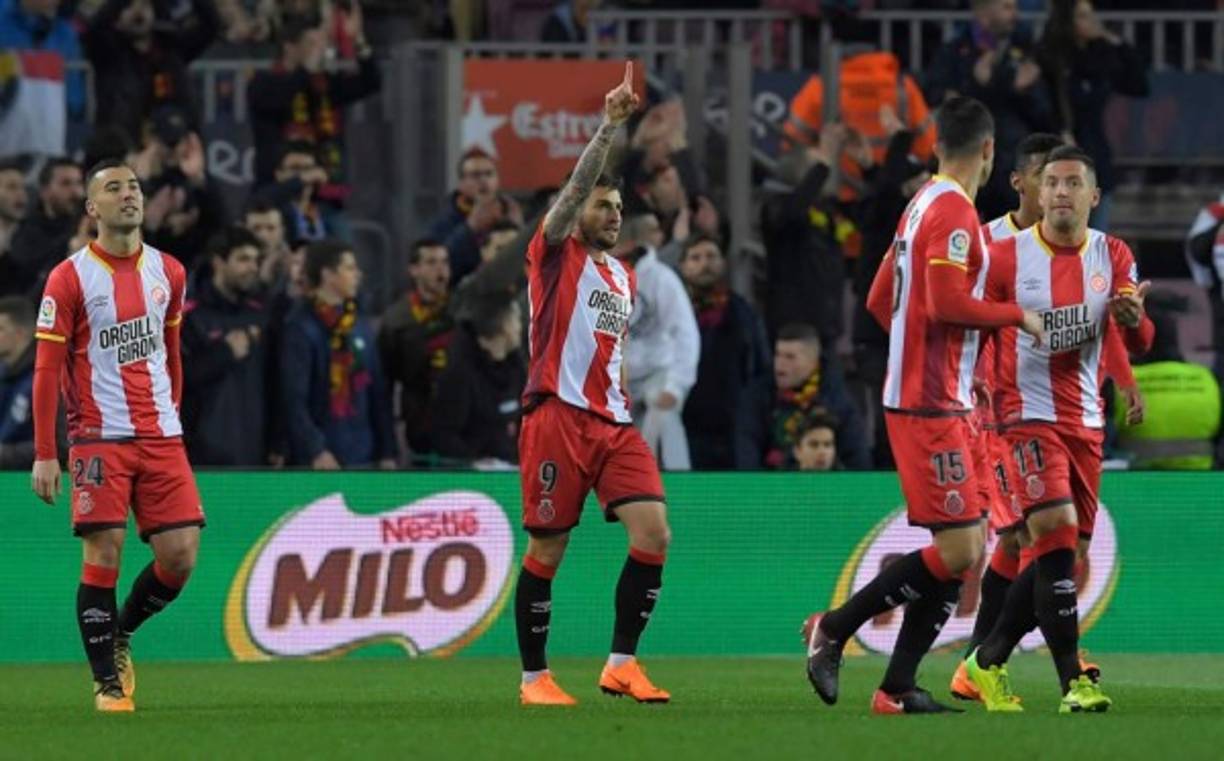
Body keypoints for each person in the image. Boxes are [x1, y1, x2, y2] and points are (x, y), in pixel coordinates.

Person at [805, 96, 1045, 715]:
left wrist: (930, 356)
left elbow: (883, 299)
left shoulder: (919, 206)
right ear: (988, 151)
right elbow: (942, 304)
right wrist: (1013, 316)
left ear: (938, 145)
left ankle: (896, 688)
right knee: (964, 551)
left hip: (941, 398)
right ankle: (833, 627)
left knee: (963, 550)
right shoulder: (956, 214)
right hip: (929, 406)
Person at [959, 146, 1153, 714]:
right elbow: (967, 322)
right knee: (1055, 529)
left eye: (1074, 183)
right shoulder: (1003, 257)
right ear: (1038, 195)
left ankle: (985, 661)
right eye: (1054, 183)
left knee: (1059, 555)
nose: (1062, 192)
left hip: (1085, 421)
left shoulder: (1113, 255)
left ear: (1095, 197)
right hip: (1021, 415)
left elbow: (1133, 336)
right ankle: (1074, 682)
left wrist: (1135, 333)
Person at [515, 62, 672, 707]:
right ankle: (534, 680)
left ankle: (621, 664)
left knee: (654, 533)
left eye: (618, 207)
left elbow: (614, 354)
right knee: (549, 545)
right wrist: (608, 129)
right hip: (556, 415)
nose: (613, 214)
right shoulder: (554, 255)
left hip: (612, 423)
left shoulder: (623, 278)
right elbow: (570, 197)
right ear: (576, 210)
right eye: (602, 205)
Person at [30, 158, 205, 712]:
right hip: (98, 436)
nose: (128, 195)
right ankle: (107, 683)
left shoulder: (170, 272)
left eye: (133, 186)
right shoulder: (69, 276)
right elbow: (45, 369)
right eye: (113, 188)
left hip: (160, 435)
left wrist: (170, 415)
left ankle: (123, 630)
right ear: (92, 208)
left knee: (179, 557)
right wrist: (45, 452)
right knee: (104, 551)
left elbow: (171, 354)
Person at [923, 0, 1054, 221]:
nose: (1015, 14)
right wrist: (977, 85)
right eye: (1006, 7)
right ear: (983, 13)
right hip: (966, 164)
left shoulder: (1027, 53)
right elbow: (937, 95)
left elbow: (1045, 114)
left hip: (1013, 166)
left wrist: (1021, 90)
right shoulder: (955, 51)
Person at [281, 239, 397, 469]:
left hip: (363, 456)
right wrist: (315, 449)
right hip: (320, 461)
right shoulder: (301, 327)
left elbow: (377, 393)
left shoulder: (359, 325)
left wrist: (387, 450)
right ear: (328, 274)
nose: (358, 274)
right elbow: (294, 399)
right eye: (349, 268)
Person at [1038, 0, 1149, 231]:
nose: (1092, 21)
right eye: (1082, 16)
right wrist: (1061, 131)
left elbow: (1139, 86)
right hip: (1058, 152)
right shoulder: (1049, 57)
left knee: (1095, 233)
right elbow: (1042, 105)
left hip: (1095, 152)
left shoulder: (1101, 55)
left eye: (1091, 15)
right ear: (1066, 21)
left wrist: (1118, 44)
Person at [181, 227, 273, 466]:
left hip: (256, 455)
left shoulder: (261, 315)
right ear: (219, 262)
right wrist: (224, 353)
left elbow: (276, 382)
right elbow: (176, 381)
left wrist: (277, 442)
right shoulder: (189, 318)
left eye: (256, 260)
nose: (253, 267)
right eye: (243, 259)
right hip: (202, 459)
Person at [677, 235, 771, 470]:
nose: (704, 263)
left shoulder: (743, 313)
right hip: (684, 422)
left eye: (711, 256)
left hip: (734, 426)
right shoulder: (672, 313)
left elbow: (761, 366)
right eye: (695, 258)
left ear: (723, 263)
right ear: (682, 266)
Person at [616, 213, 700, 471]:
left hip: (658, 373)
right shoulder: (595, 279)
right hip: (617, 377)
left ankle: (678, 483)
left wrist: (675, 386)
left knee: (662, 418)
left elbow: (685, 333)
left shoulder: (661, 279)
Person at [81, 0, 221, 146]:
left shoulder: (172, 50)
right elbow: (94, 29)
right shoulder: (107, 53)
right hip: (123, 146)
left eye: (144, 5)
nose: (138, 12)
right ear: (116, 18)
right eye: (129, 6)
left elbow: (210, 25)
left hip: (173, 142)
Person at [735, 323, 870, 471]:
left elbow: (857, 460)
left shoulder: (838, 400)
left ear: (813, 362)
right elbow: (746, 454)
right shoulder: (757, 396)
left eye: (790, 357)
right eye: (778, 354)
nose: (779, 365)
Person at [378, 238, 454, 459]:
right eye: (431, 263)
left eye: (444, 262)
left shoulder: (461, 310)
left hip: (464, 427)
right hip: (420, 425)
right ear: (414, 270)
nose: (440, 270)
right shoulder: (396, 321)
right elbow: (385, 386)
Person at [431, 292, 525, 466]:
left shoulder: (516, 365)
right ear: (502, 326)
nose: (520, 327)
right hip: (472, 476)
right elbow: (444, 435)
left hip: (513, 469)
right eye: (516, 320)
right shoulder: (460, 373)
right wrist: (474, 463)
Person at [427, 149, 523, 283]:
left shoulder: (512, 212)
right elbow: (436, 270)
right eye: (475, 175)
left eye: (489, 174)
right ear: (461, 183)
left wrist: (519, 229)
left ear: (497, 180)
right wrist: (469, 228)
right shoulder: (443, 221)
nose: (483, 180)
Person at [8, 158, 83, 297]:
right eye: (65, 184)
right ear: (44, 191)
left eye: (79, 183)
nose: (76, 192)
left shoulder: (89, 225)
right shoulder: (26, 233)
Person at [0, 296, 36, 468]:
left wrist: (4, 455)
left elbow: (59, 445)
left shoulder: (45, 379)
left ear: (20, 334)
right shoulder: (4, 373)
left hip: (28, 482)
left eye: (1, 329)